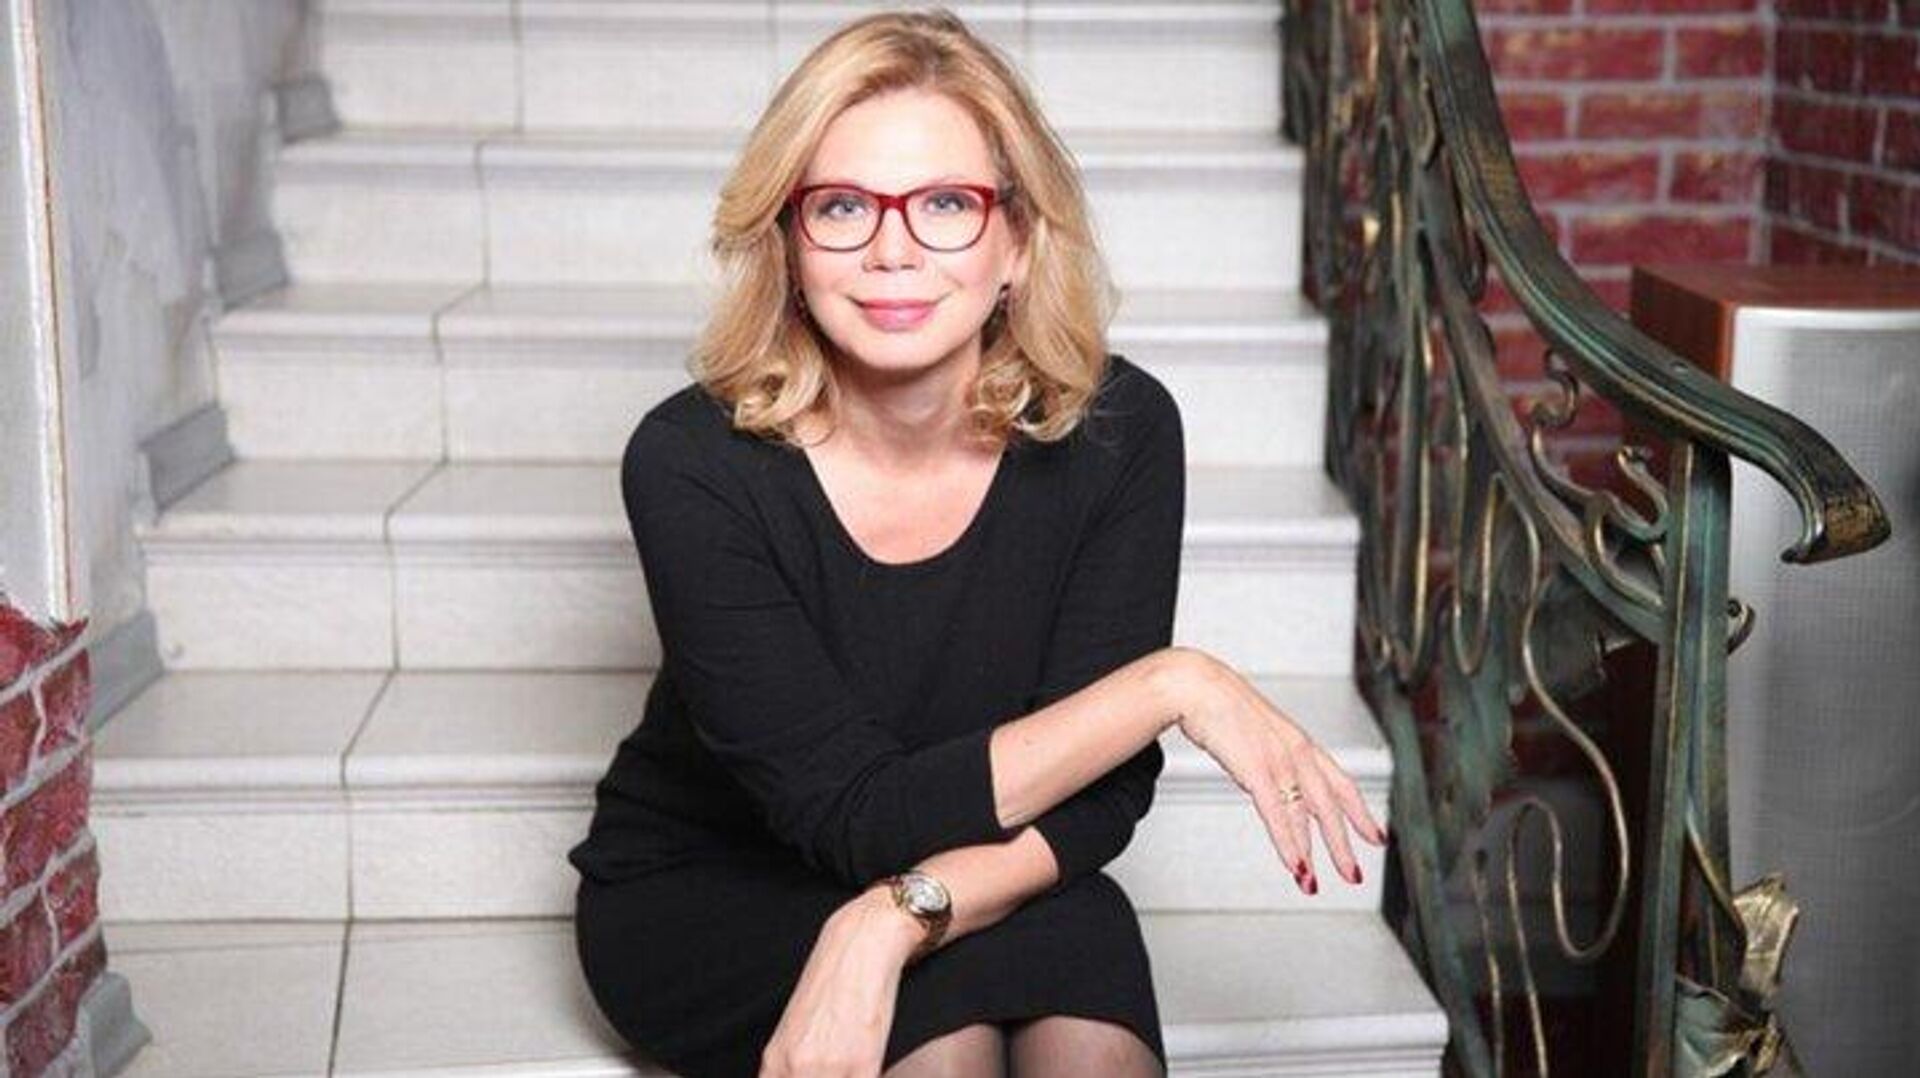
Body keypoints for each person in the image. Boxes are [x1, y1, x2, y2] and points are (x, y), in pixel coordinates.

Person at [567, 9, 1387, 1077]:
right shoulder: (691, 463)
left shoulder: (1121, 432)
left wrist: (895, 918)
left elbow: (1099, 794)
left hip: (991, 858)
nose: (894, 249)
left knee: (1089, 1037)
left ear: (1017, 242)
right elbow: (854, 814)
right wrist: (1172, 683)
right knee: (945, 1046)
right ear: (788, 244)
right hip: (722, 880)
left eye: (947, 203)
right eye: (843, 206)